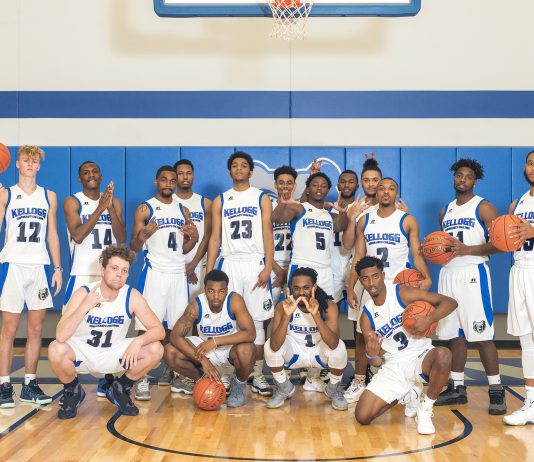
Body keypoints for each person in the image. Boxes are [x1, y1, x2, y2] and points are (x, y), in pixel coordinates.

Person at [48, 245, 164, 419]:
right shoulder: (84, 293)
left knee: (156, 348)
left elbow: (159, 330)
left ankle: (120, 388)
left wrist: (138, 341)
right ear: (103, 270)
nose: (119, 274)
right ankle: (73, 390)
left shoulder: (131, 295)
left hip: (114, 352)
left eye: (125, 271)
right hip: (83, 352)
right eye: (114, 268)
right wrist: (85, 306)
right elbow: (61, 335)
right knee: (55, 348)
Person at [345, 176, 430, 404]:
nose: (385, 192)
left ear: (396, 193)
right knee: (363, 335)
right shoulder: (364, 220)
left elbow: (417, 253)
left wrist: (427, 276)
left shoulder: (407, 220)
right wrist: (350, 286)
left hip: (398, 286)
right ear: (376, 192)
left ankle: (410, 382)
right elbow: (358, 257)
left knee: (406, 332)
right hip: (371, 285)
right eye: (381, 188)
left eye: (391, 189)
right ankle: (359, 380)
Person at [354, 256, 457, 435]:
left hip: (420, 355)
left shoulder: (402, 293)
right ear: (360, 281)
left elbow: (450, 302)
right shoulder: (366, 317)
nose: (371, 282)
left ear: (383, 275)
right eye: (365, 278)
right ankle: (407, 392)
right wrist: (371, 356)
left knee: (444, 355)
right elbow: (377, 362)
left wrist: (430, 319)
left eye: (375, 276)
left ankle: (425, 408)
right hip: (393, 364)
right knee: (363, 416)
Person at [435, 158, 506, 415]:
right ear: (454, 178)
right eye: (459, 175)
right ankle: (458, 388)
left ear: (474, 181)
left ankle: (497, 391)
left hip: (473, 273)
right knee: (455, 334)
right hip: (448, 275)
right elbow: (442, 248)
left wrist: (468, 250)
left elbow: (501, 243)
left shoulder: (484, 207)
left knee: (482, 335)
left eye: (468, 176)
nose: (462, 179)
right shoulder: (445, 211)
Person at [272, 171, 352, 391]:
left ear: (328, 190)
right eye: (315, 185)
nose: (319, 188)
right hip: (301, 268)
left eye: (323, 185)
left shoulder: (327, 214)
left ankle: (313, 376)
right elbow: (277, 218)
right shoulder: (300, 207)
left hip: (324, 271)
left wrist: (344, 212)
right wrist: (283, 204)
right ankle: (285, 373)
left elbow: (340, 226)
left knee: (321, 315)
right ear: (307, 189)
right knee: (294, 313)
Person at [206, 151, 274, 397]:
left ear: (250, 171)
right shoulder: (221, 200)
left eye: (243, 165)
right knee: (229, 319)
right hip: (230, 262)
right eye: (234, 165)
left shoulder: (261, 198)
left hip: (255, 262)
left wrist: (268, 265)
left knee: (256, 320)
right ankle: (225, 372)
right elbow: (215, 237)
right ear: (230, 171)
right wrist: (210, 267)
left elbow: (268, 233)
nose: (238, 169)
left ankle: (255, 374)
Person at [0, 145, 62, 408]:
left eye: (34, 160)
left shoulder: (49, 196)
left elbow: (52, 234)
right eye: (25, 159)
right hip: (12, 266)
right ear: (17, 164)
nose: (29, 163)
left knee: (36, 330)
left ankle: (29, 384)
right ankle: (4, 386)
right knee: (9, 331)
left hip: (38, 267)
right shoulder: (6, 195)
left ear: (38, 166)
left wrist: (57, 268)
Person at [130, 165, 198, 400]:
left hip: (177, 273)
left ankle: (173, 371)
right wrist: (144, 235)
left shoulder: (184, 209)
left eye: (172, 180)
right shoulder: (145, 208)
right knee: (147, 327)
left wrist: (195, 238)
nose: (169, 184)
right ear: (156, 181)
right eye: (164, 180)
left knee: (176, 327)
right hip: (155, 273)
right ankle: (141, 378)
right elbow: (134, 247)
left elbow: (183, 247)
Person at [63, 161, 126, 397]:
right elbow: (78, 236)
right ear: (80, 178)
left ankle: (107, 378)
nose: (91, 175)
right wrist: (99, 208)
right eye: (86, 172)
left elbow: (121, 237)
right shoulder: (73, 201)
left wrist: (109, 208)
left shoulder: (115, 202)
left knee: (108, 322)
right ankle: (71, 384)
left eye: (94, 171)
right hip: (81, 273)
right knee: (72, 325)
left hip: (107, 274)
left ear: (101, 176)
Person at [163, 269, 256, 407]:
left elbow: (250, 333)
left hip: (228, 347)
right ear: (205, 289)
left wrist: (215, 341)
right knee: (169, 351)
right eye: (211, 291)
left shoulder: (234, 300)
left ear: (226, 290)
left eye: (221, 291)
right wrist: (203, 360)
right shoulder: (196, 304)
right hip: (203, 346)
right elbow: (175, 336)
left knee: (247, 350)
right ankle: (204, 381)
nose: (216, 296)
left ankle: (239, 386)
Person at [264, 267, 348, 410]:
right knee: (268, 346)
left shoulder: (328, 305)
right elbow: (275, 346)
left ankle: (333, 389)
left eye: (306, 288)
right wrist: (287, 316)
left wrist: (315, 315)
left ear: (314, 287)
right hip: (295, 353)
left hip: (318, 354)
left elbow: (333, 344)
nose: (301, 292)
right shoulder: (283, 306)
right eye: (296, 288)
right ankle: (285, 387)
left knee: (340, 347)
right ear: (290, 288)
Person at [504, 150, 534, 425]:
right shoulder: (519, 203)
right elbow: (509, 240)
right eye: (530, 162)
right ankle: (531, 401)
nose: (533, 167)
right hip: (520, 270)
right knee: (526, 339)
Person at [174, 159, 212, 302]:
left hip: (199, 264)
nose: (185, 177)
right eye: (181, 173)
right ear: (174, 176)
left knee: (199, 312)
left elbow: (208, 237)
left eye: (188, 173)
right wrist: (182, 265)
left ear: (193, 176)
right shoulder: (168, 202)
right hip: (175, 266)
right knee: (175, 314)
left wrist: (193, 264)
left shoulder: (205, 203)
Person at [271, 165, 298, 305]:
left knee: (295, 310)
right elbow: (261, 241)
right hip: (271, 264)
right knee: (266, 313)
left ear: (294, 185)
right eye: (281, 182)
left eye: (289, 182)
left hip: (295, 265)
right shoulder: (267, 206)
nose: (285, 186)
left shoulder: (300, 208)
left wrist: (287, 271)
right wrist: (279, 271)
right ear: (275, 185)